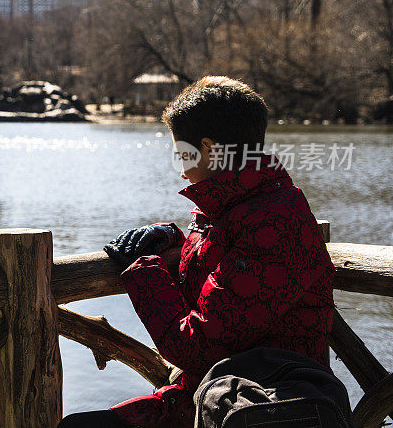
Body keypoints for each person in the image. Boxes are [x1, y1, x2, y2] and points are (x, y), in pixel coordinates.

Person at [58, 76, 335, 428]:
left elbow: (195, 346)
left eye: (182, 154)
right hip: (218, 396)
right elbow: (225, 267)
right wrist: (171, 241)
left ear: (208, 148)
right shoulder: (236, 203)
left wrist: (143, 270)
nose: (182, 169)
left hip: (266, 404)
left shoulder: (276, 222)